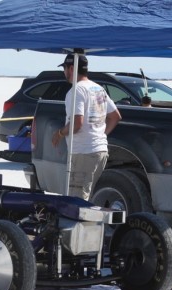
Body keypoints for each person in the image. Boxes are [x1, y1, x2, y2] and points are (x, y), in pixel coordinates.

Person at [51, 53, 122, 200]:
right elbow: (115, 117)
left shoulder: (76, 90)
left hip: (83, 153)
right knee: (86, 196)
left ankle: (78, 224)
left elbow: (77, 124)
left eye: (65, 68)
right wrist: (99, 136)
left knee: (76, 201)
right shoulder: (98, 89)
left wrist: (59, 133)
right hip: (100, 151)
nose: (64, 72)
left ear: (71, 68)